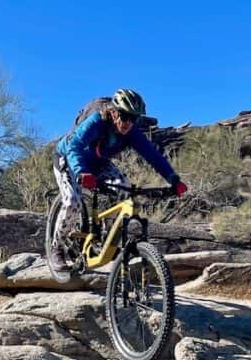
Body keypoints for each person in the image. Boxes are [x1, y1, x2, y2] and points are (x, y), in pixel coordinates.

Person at [50, 88, 188, 274]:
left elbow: (153, 156)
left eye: (134, 118)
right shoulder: (97, 122)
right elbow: (74, 146)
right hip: (68, 158)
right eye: (124, 116)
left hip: (98, 163)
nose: (128, 122)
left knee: (125, 191)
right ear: (114, 112)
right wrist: (81, 171)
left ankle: (106, 238)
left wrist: (173, 179)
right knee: (72, 201)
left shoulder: (131, 132)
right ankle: (56, 248)